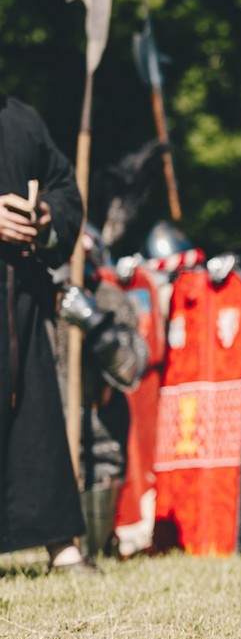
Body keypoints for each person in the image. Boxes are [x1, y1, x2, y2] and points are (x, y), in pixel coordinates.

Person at [0, 92, 87, 571]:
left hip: (21, 302)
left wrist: (47, 216)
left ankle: (61, 546)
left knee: (35, 421)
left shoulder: (22, 120)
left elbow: (65, 189)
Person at [54, 226, 149, 558]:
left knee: (92, 542)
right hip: (53, 419)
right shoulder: (40, 296)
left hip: (99, 423)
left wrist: (93, 321)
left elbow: (130, 369)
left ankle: (99, 547)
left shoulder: (110, 299)